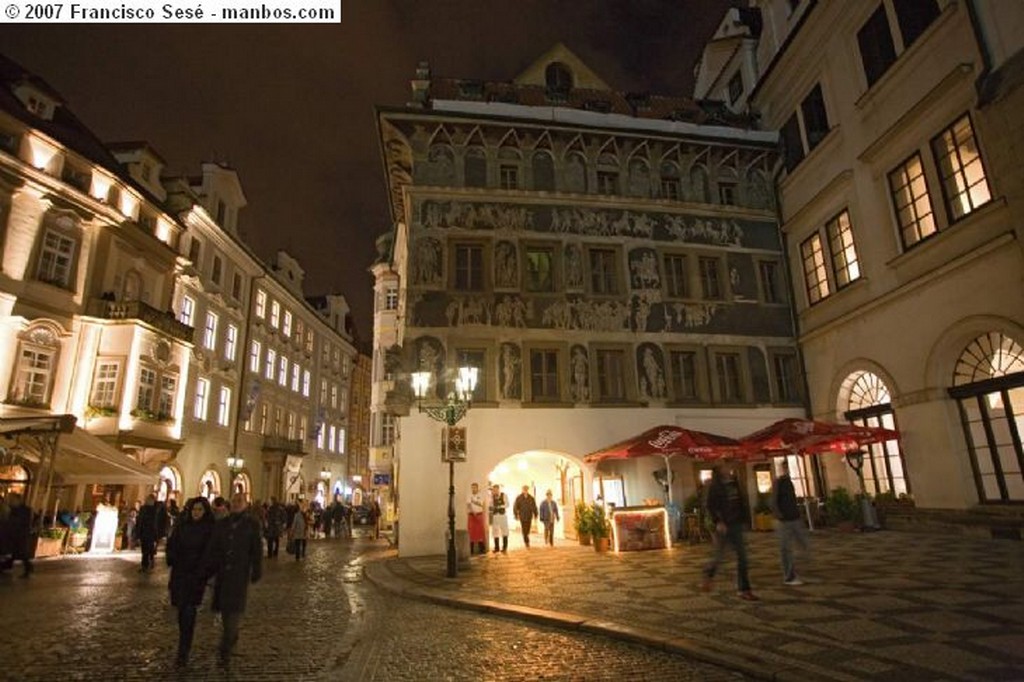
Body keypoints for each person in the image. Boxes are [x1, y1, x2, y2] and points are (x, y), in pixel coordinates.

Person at [204, 493, 262, 666]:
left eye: (240, 501)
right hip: (222, 574)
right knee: (224, 611)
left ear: (245, 504)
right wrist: (208, 570)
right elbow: (213, 548)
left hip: (239, 574)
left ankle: (226, 646)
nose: (236, 504)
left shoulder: (252, 524)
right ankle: (231, 635)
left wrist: (256, 569)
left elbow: (256, 549)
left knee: (233, 612)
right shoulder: (222, 524)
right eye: (234, 501)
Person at [166, 497, 215, 667]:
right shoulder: (182, 526)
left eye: (200, 510)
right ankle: (183, 641)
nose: (196, 512)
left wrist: (203, 572)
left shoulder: (208, 530)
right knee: (181, 609)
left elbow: (210, 554)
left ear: (205, 511)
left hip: (195, 576)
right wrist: (172, 558)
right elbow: (172, 545)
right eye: (194, 509)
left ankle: (183, 649)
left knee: (188, 610)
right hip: (179, 573)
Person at [702, 465, 758, 601]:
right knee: (720, 556)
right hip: (724, 526)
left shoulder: (734, 482)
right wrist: (718, 522)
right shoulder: (716, 486)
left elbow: (741, 502)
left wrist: (745, 519)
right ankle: (709, 573)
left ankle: (744, 589)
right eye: (725, 466)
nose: (728, 468)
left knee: (742, 557)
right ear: (720, 470)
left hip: (736, 524)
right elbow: (710, 506)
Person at [771, 460, 809, 586]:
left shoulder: (789, 482)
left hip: (794, 518)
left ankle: (796, 571)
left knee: (803, 545)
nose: (787, 470)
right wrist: (779, 515)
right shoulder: (779, 482)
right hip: (785, 520)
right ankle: (789, 576)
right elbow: (774, 501)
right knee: (786, 549)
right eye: (785, 468)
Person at [5, 493, 34, 577]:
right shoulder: (14, 509)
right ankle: (8, 565)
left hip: (21, 534)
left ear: (18, 500)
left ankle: (28, 568)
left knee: (21, 552)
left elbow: (20, 522)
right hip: (16, 534)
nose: (10, 501)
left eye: (12, 499)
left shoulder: (24, 510)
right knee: (16, 552)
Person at [135, 493, 159, 572]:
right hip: (144, 533)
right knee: (144, 550)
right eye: (148, 499)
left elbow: (156, 523)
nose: (149, 501)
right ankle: (145, 564)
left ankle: (148, 562)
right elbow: (139, 521)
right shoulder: (143, 509)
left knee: (149, 549)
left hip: (151, 533)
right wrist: (138, 533)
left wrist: (156, 535)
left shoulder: (155, 510)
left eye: (150, 500)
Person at [466, 483, 486, 555]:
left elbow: (480, 504)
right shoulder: (469, 495)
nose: (473, 489)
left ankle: (482, 549)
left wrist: (473, 501)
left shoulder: (481, 495)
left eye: (475, 487)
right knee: (471, 532)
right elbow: (468, 504)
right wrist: (472, 510)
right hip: (471, 515)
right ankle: (471, 550)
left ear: (477, 488)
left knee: (480, 532)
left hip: (479, 515)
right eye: (472, 488)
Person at [489, 484, 509, 554]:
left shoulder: (504, 495)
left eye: (496, 490)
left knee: (504, 531)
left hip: (502, 515)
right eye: (494, 490)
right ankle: (496, 548)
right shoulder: (492, 496)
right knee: (495, 532)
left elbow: (507, 504)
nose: (495, 491)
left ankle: (504, 548)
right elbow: (490, 505)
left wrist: (500, 506)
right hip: (495, 516)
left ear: (498, 489)